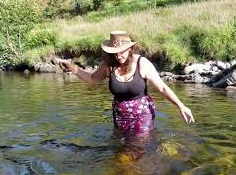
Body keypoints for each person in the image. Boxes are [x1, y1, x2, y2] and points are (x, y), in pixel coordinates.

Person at [57, 30, 194, 135]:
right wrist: (73, 68)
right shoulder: (108, 66)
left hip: (142, 113)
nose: (118, 56)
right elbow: (93, 79)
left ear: (130, 49)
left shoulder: (142, 63)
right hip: (119, 114)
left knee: (139, 146)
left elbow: (162, 88)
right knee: (122, 146)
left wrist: (181, 106)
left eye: (122, 52)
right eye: (115, 53)